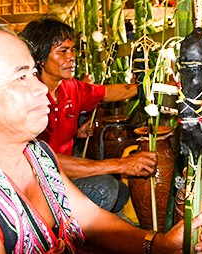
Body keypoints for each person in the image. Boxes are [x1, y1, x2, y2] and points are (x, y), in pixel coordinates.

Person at [0, 21, 202, 254]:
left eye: (34, 74)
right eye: (21, 77)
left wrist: (159, 246)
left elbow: (89, 219)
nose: (39, 88)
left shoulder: (35, 154)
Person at [21, 18, 157, 213]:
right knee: (104, 189)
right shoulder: (30, 97)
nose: (71, 57)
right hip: (39, 184)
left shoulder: (71, 87)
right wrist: (121, 165)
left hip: (64, 177)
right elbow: (46, 160)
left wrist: (144, 88)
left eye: (73, 50)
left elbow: (108, 92)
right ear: (41, 59)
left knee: (120, 192)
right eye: (62, 51)